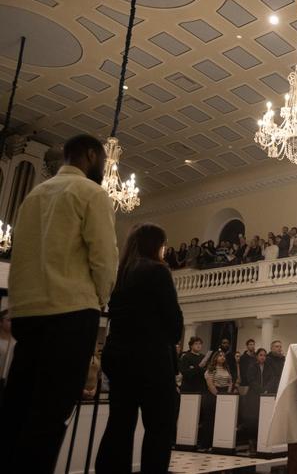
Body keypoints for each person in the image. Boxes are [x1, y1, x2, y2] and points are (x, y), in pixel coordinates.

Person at [0, 134, 118, 474]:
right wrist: (100, 298)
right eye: (103, 161)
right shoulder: (91, 193)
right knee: (51, 413)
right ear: (91, 154)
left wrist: (19, 307)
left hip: (30, 312)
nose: (104, 168)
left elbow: (19, 256)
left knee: (17, 408)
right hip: (70, 312)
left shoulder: (33, 196)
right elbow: (103, 257)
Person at [95, 223, 183, 474]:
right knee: (159, 429)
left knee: (119, 426)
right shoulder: (157, 270)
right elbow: (174, 323)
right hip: (151, 359)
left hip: (119, 356)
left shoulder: (121, 273)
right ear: (157, 245)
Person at [198, 351, 235, 451]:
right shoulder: (211, 369)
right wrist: (218, 395)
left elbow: (230, 382)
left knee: (220, 420)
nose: (222, 357)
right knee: (210, 421)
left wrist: (226, 394)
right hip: (212, 395)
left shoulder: (226, 369)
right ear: (215, 358)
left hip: (224, 395)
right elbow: (210, 384)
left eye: (223, 356)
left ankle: (217, 443)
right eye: (220, 356)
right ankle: (205, 444)